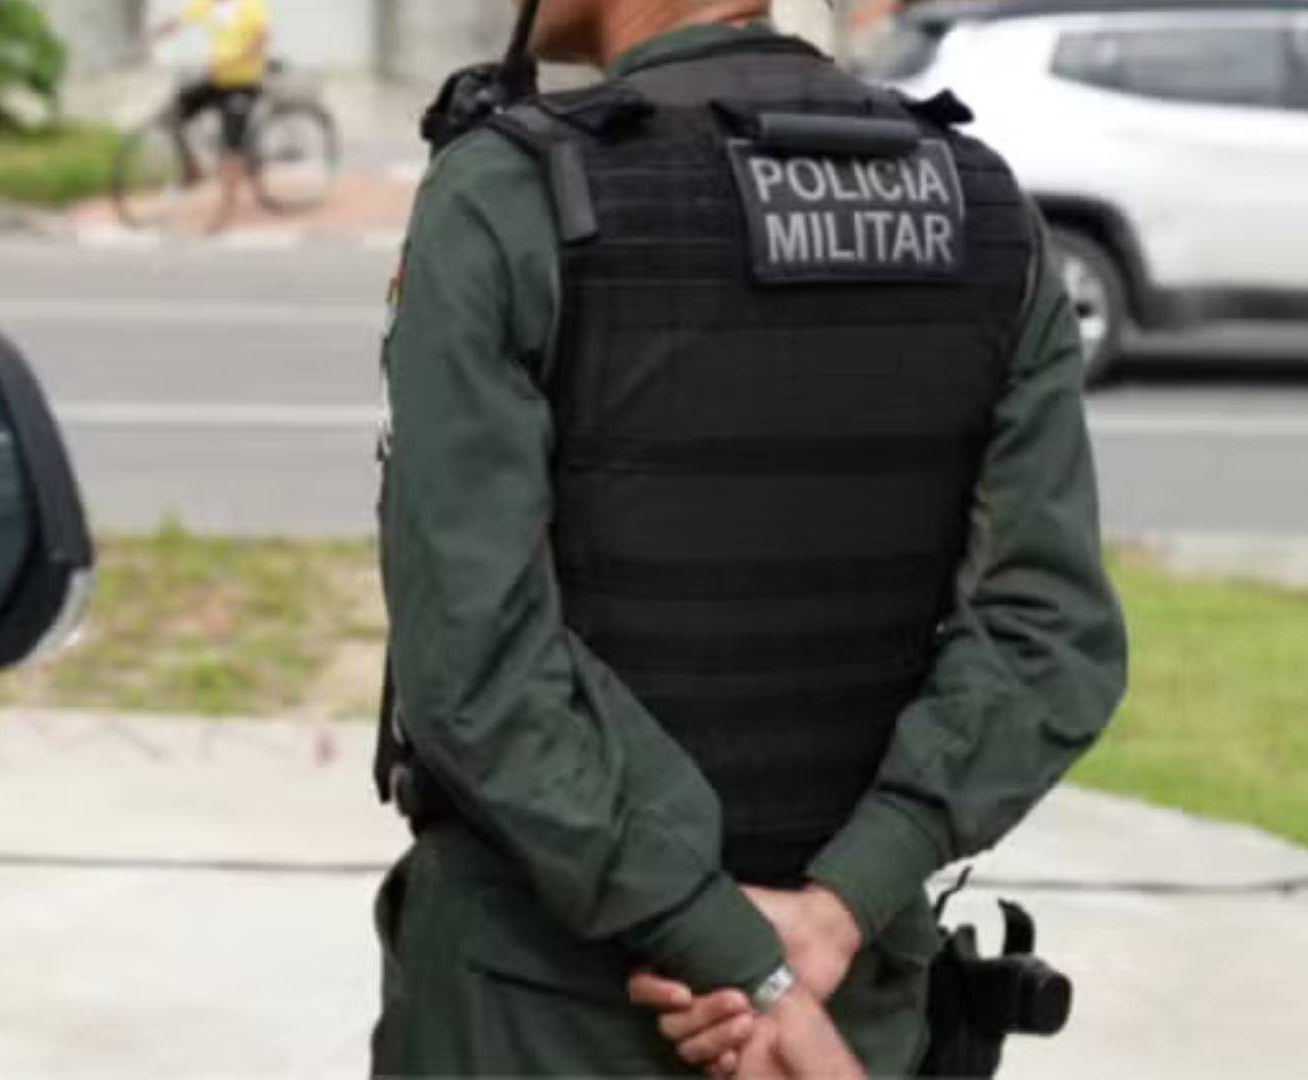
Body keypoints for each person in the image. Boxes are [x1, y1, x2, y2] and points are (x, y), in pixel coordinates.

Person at [371, 0, 1129, 1076]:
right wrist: (830, 915)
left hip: (540, 1012)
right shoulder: (983, 206)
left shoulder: (510, 194)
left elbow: (476, 663)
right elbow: (1047, 633)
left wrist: (734, 952)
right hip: (853, 1003)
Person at [147, 0, 272, 232]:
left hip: (243, 83)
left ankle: (225, 210)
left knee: (229, 145)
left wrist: (234, 61)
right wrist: (156, 36)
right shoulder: (207, 5)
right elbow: (178, 21)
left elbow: (260, 40)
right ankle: (193, 169)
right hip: (216, 80)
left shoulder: (251, 6)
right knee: (172, 116)